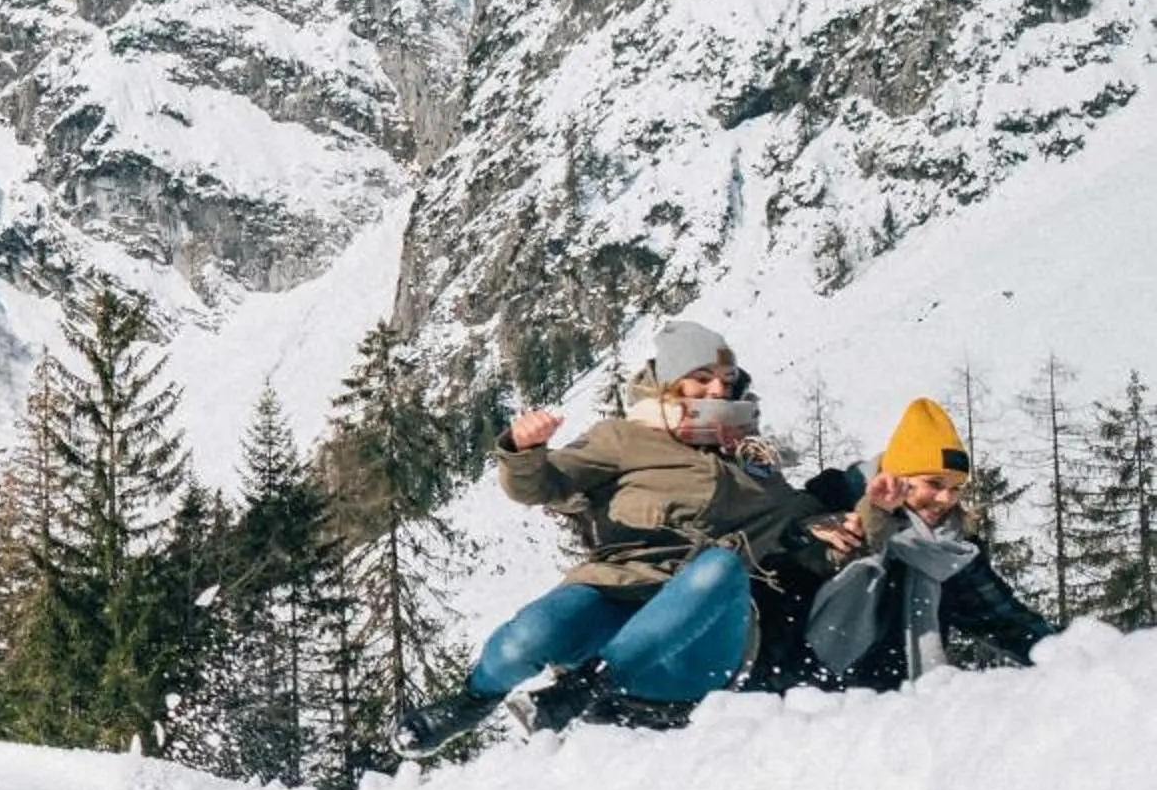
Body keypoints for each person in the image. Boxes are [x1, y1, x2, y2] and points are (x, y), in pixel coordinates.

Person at [397, 319, 851, 754]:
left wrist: (821, 520)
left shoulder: (750, 459)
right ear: (670, 383)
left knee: (720, 565)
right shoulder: (623, 439)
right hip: (618, 588)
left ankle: (586, 689)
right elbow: (541, 485)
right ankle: (471, 701)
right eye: (702, 378)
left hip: (698, 638)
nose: (719, 390)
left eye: (726, 379)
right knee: (531, 634)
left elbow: (793, 512)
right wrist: (523, 450)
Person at [794, 398, 1056, 690]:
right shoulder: (833, 506)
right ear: (897, 477)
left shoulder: (948, 547)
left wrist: (1071, 655)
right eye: (934, 484)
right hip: (808, 695)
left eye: (956, 488)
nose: (946, 499)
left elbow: (1003, 619)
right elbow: (798, 558)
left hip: (899, 703)